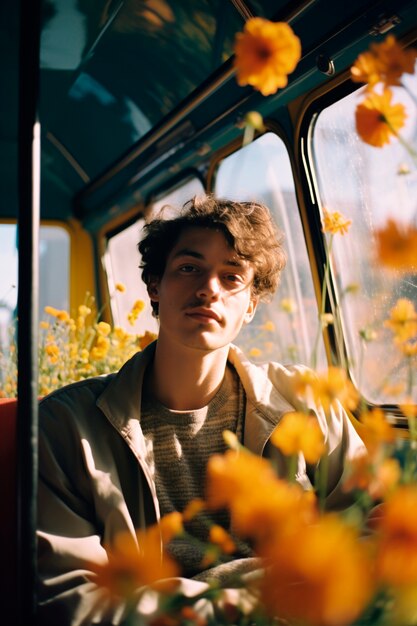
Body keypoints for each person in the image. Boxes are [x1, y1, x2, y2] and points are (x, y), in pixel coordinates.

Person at [37, 196, 366, 625]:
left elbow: (374, 523)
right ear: (155, 285)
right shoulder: (66, 425)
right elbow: (77, 600)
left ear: (251, 305)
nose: (210, 288)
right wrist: (256, 600)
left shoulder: (307, 403)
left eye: (232, 276)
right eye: (189, 268)